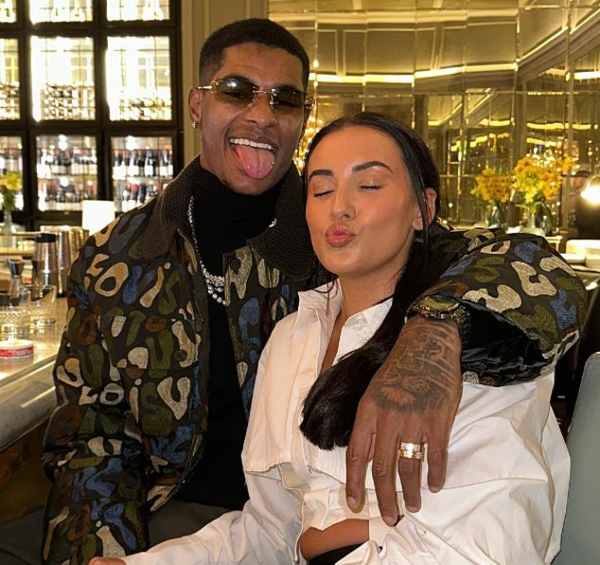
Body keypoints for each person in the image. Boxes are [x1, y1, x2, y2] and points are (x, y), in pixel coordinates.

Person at [2, 17, 581, 565]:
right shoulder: (121, 256)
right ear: (197, 105)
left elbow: (530, 272)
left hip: (283, 525)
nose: (261, 115)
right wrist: (109, 552)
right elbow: (93, 438)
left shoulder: (356, 248)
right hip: (185, 512)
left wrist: (433, 335)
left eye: (284, 100)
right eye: (237, 91)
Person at [90, 112, 570, 565]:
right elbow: (272, 528)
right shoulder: (291, 337)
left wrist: (346, 538)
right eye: (321, 190)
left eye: (369, 185)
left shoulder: (475, 340)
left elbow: (484, 546)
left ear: (423, 209)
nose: (339, 207)